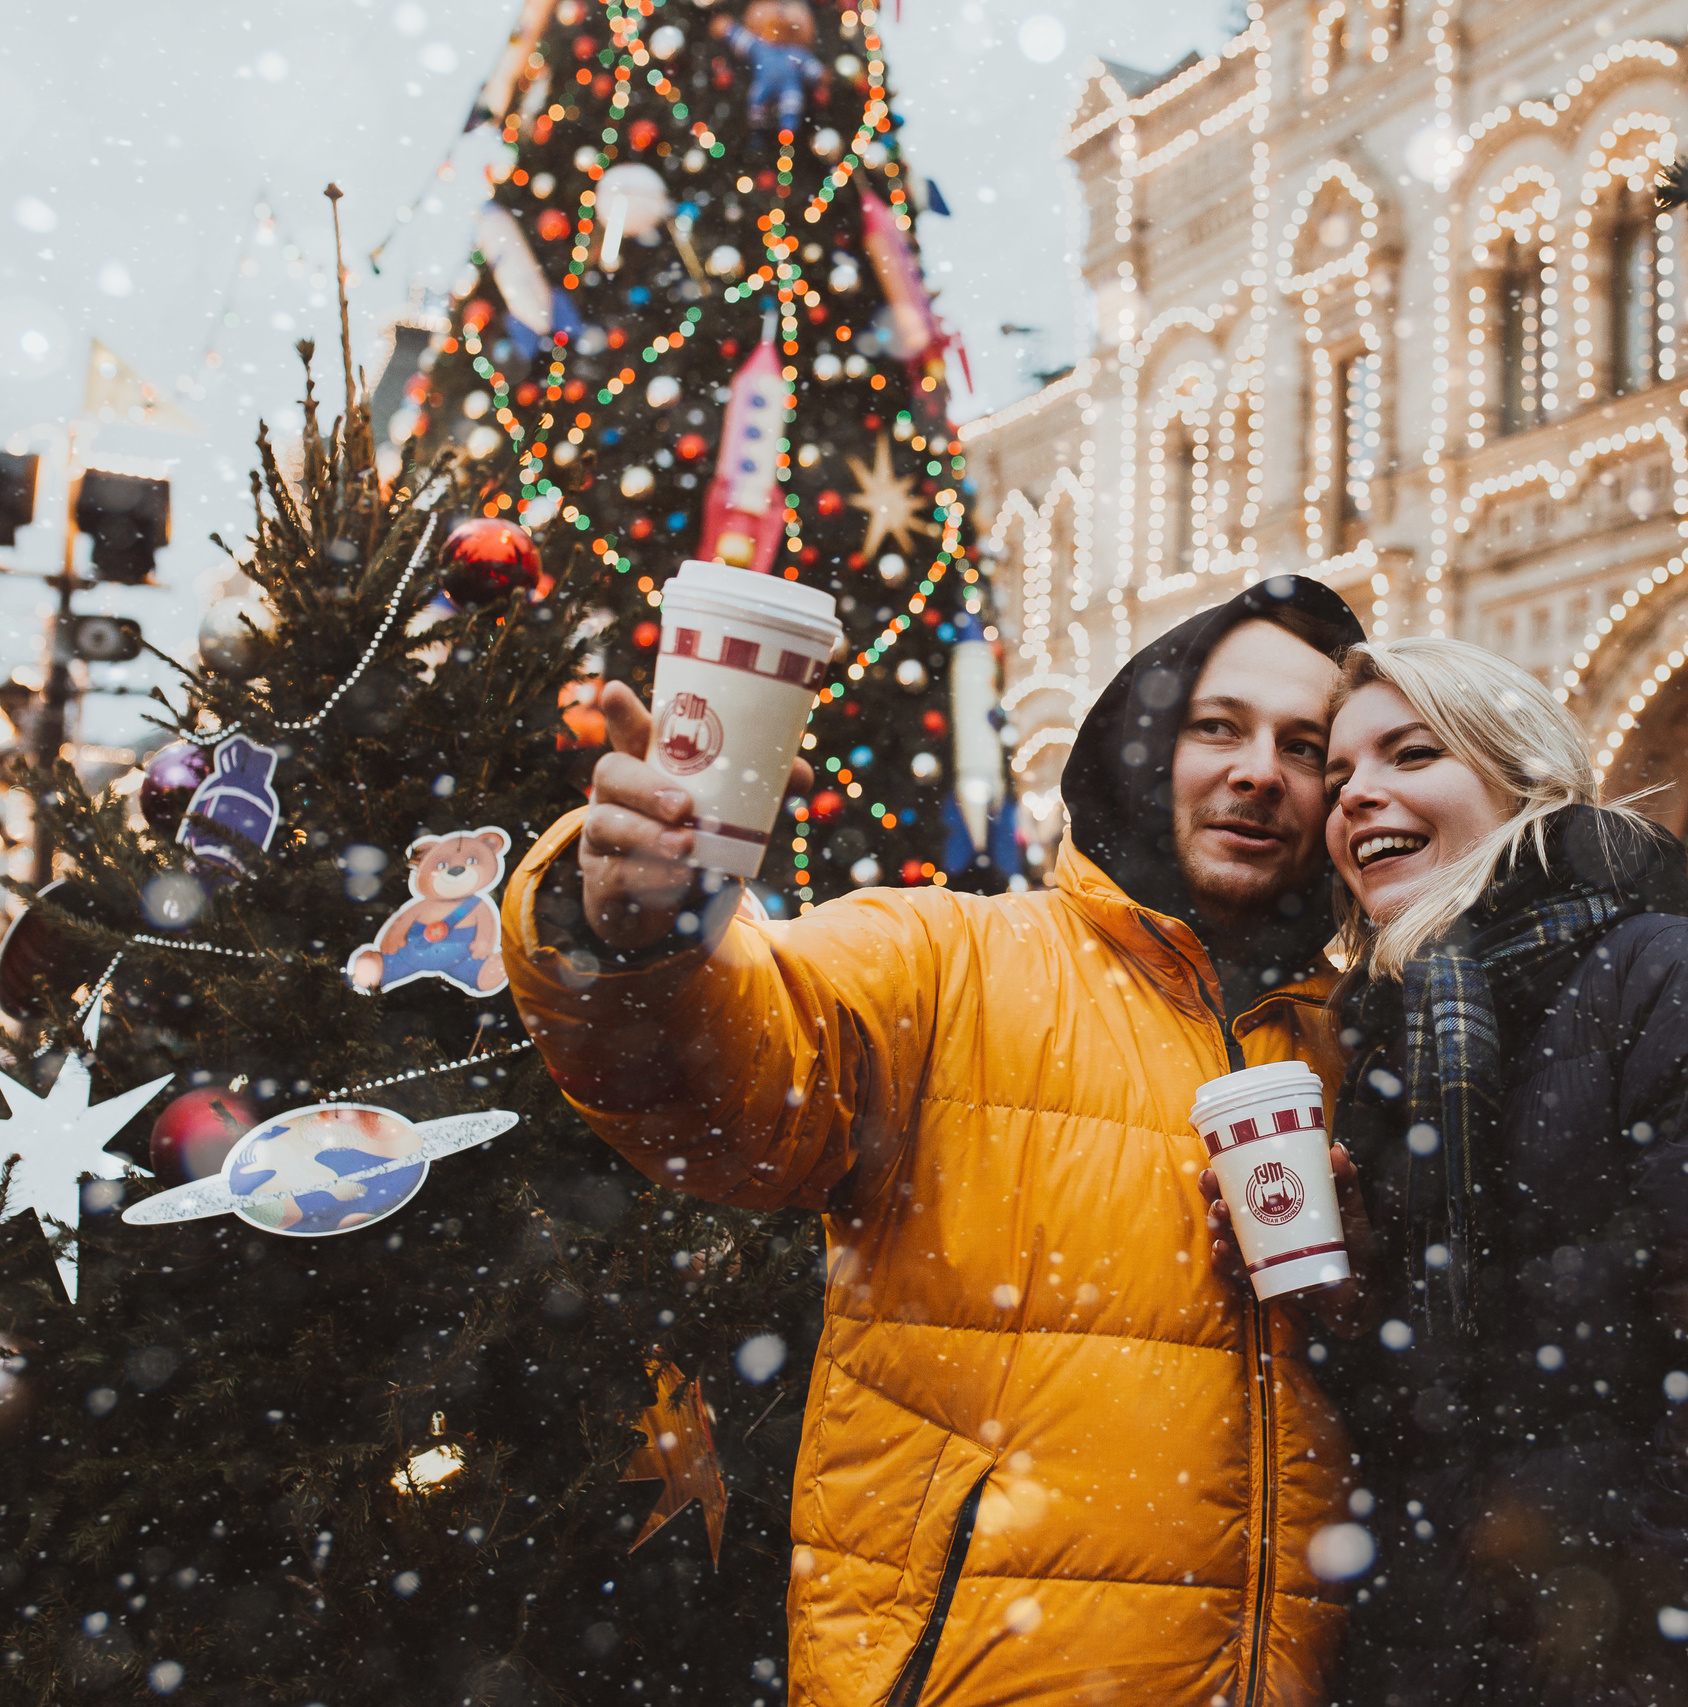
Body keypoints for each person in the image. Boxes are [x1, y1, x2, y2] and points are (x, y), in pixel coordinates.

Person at [500, 577, 1367, 1707]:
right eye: (1219, 725)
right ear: (1145, 743)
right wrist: (630, 932)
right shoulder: (948, 958)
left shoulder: (1361, 1042)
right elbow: (718, 1087)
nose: (1259, 770)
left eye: (1304, 746)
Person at [1300, 636, 1688, 1707]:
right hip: (1440, 1638)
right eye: (1338, 779)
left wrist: (1655, 1643)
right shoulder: (1389, 1034)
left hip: (1611, 1641)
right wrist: (1349, 1282)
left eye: (1411, 754)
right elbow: (1430, 1393)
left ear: (1524, 776)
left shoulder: (1667, 977)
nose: (1358, 796)